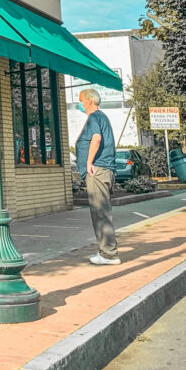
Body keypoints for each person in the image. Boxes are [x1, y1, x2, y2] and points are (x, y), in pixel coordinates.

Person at [76, 88, 120, 265]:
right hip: (103, 169)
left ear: (89, 100)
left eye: (81, 100)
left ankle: (109, 254)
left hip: (98, 170)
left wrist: (88, 163)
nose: (79, 104)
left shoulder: (94, 117)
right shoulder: (101, 117)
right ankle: (106, 251)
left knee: (100, 212)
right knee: (100, 212)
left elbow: (96, 139)